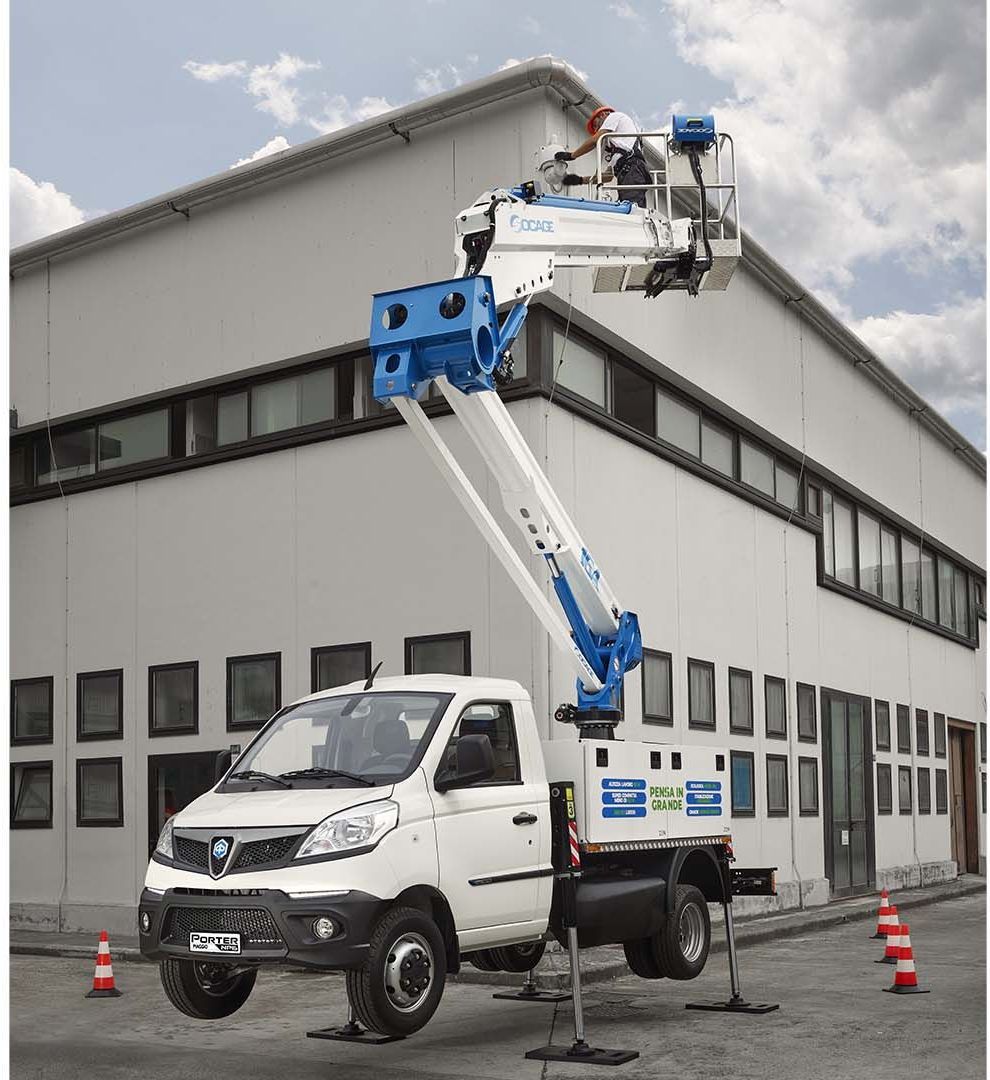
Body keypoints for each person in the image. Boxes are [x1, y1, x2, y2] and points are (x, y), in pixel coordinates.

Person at [556, 106, 651, 208]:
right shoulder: (620, 152)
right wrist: (580, 180)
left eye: (596, 126)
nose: (597, 130)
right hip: (630, 172)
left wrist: (572, 155)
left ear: (602, 115)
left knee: (633, 210)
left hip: (633, 170)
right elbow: (607, 177)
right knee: (628, 208)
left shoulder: (614, 116)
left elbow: (594, 141)